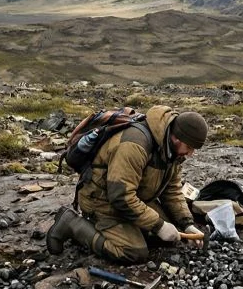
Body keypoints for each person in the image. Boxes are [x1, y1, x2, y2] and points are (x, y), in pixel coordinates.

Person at [46, 106, 207, 262]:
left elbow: (172, 190)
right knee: (134, 251)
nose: (190, 154)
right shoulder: (134, 144)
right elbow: (121, 196)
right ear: (176, 137)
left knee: (169, 235)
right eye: (189, 147)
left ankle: (132, 229)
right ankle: (72, 223)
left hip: (134, 197)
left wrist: (187, 223)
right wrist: (158, 225)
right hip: (102, 200)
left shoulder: (171, 150)